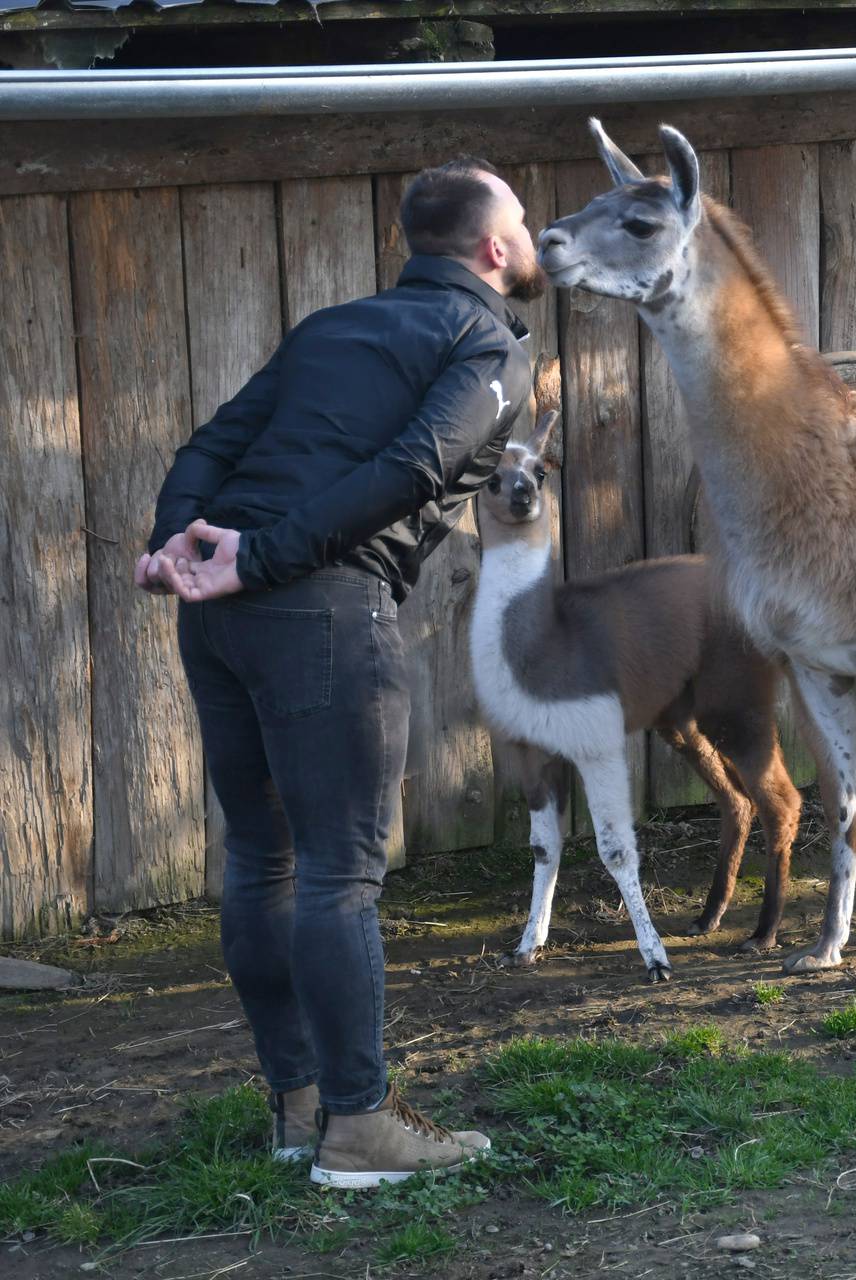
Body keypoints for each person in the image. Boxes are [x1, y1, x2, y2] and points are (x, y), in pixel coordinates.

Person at [135, 157, 545, 1189]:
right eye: (526, 220)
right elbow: (414, 465)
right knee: (337, 872)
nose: (535, 234)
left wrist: (176, 542)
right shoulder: (488, 341)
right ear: (493, 249)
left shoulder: (331, 327)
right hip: (317, 610)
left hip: (221, 620)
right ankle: (361, 1127)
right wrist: (260, 556)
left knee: (261, 860)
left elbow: (212, 444)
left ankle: (300, 1104)